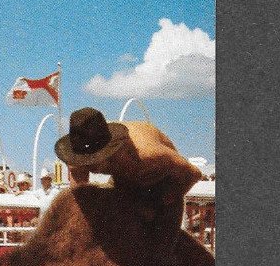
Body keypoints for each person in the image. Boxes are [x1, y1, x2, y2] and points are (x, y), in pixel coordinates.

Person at [54, 107, 202, 257]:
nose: (90, 165)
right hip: (124, 180)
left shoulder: (147, 154)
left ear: (109, 152)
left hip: (162, 184)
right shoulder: (77, 154)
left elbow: (193, 173)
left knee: (158, 255)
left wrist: (163, 201)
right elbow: (81, 197)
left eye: (95, 160)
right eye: (86, 161)